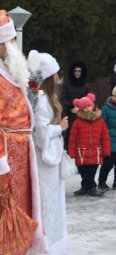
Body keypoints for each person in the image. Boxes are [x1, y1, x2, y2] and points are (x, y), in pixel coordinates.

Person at [0, 11, 46, 254]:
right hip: (8, 156)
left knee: (21, 208)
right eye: (11, 41)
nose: (15, 46)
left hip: (20, 155)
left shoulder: (8, 74)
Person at [30, 50, 68, 254]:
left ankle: (49, 243)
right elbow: (41, 134)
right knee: (46, 203)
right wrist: (59, 128)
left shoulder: (43, 97)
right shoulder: (42, 99)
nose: (58, 78)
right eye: (56, 74)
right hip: (45, 162)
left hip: (49, 161)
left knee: (50, 203)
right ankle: (45, 244)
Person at [68, 93, 111, 197]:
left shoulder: (100, 121)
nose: (87, 108)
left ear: (93, 105)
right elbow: (73, 138)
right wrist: (72, 152)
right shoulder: (78, 122)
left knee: (92, 171)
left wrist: (106, 151)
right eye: (84, 107)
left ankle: (86, 187)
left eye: (89, 106)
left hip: (96, 151)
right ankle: (91, 187)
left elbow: (105, 137)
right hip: (82, 152)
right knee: (83, 171)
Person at [98, 85, 116, 191]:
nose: (114, 98)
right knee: (108, 163)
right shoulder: (107, 108)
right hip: (110, 140)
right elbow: (103, 122)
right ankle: (102, 181)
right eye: (113, 95)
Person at [59, 61, 91, 151]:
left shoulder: (86, 86)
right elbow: (63, 99)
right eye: (75, 71)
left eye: (79, 71)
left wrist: (83, 108)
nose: (77, 73)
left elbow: (90, 100)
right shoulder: (67, 86)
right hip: (71, 115)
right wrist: (71, 108)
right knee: (70, 135)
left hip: (83, 115)